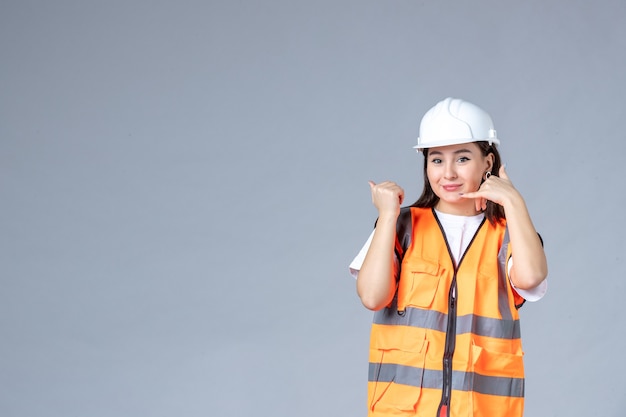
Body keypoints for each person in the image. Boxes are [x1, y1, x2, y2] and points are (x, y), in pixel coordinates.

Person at [349, 97, 548, 417]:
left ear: (488, 162)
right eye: (437, 160)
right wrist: (387, 216)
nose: (449, 173)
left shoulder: (507, 234)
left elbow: (532, 277)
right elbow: (372, 296)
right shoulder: (402, 226)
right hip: (404, 410)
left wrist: (514, 203)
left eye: (463, 158)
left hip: (480, 409)